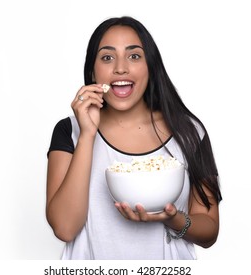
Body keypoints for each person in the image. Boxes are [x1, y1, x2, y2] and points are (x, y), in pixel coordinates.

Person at [46, 16, 222, 260]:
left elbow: (210, 231)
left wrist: (173, 219)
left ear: (150, 66)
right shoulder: (69, 131)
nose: (121, 68)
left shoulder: (189, 132)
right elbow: (65, 228)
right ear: (92, 70)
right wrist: (87, 134)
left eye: (134, 56)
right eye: (107, 57)